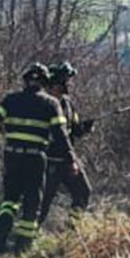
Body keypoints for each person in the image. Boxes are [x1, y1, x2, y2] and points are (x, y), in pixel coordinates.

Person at [0, 63, 74, 254]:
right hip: (35, 159)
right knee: (32, 203)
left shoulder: (10, 100)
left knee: (10, 200)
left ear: (25, 81)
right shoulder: (51, 104)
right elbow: (61, 136)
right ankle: (22, 248)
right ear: (44, 82)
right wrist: (71, 160)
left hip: (12, 157)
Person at [38, 61, 95, 227]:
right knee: (43, 202)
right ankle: (26, 238)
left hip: (68, 160)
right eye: (66, 80)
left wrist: (86, 127)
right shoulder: (41, 104)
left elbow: (74, 130)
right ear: (56, 83)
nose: (69, 84)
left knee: (83, 192)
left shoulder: (68, 104)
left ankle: (72, 229)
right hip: (49, 162)